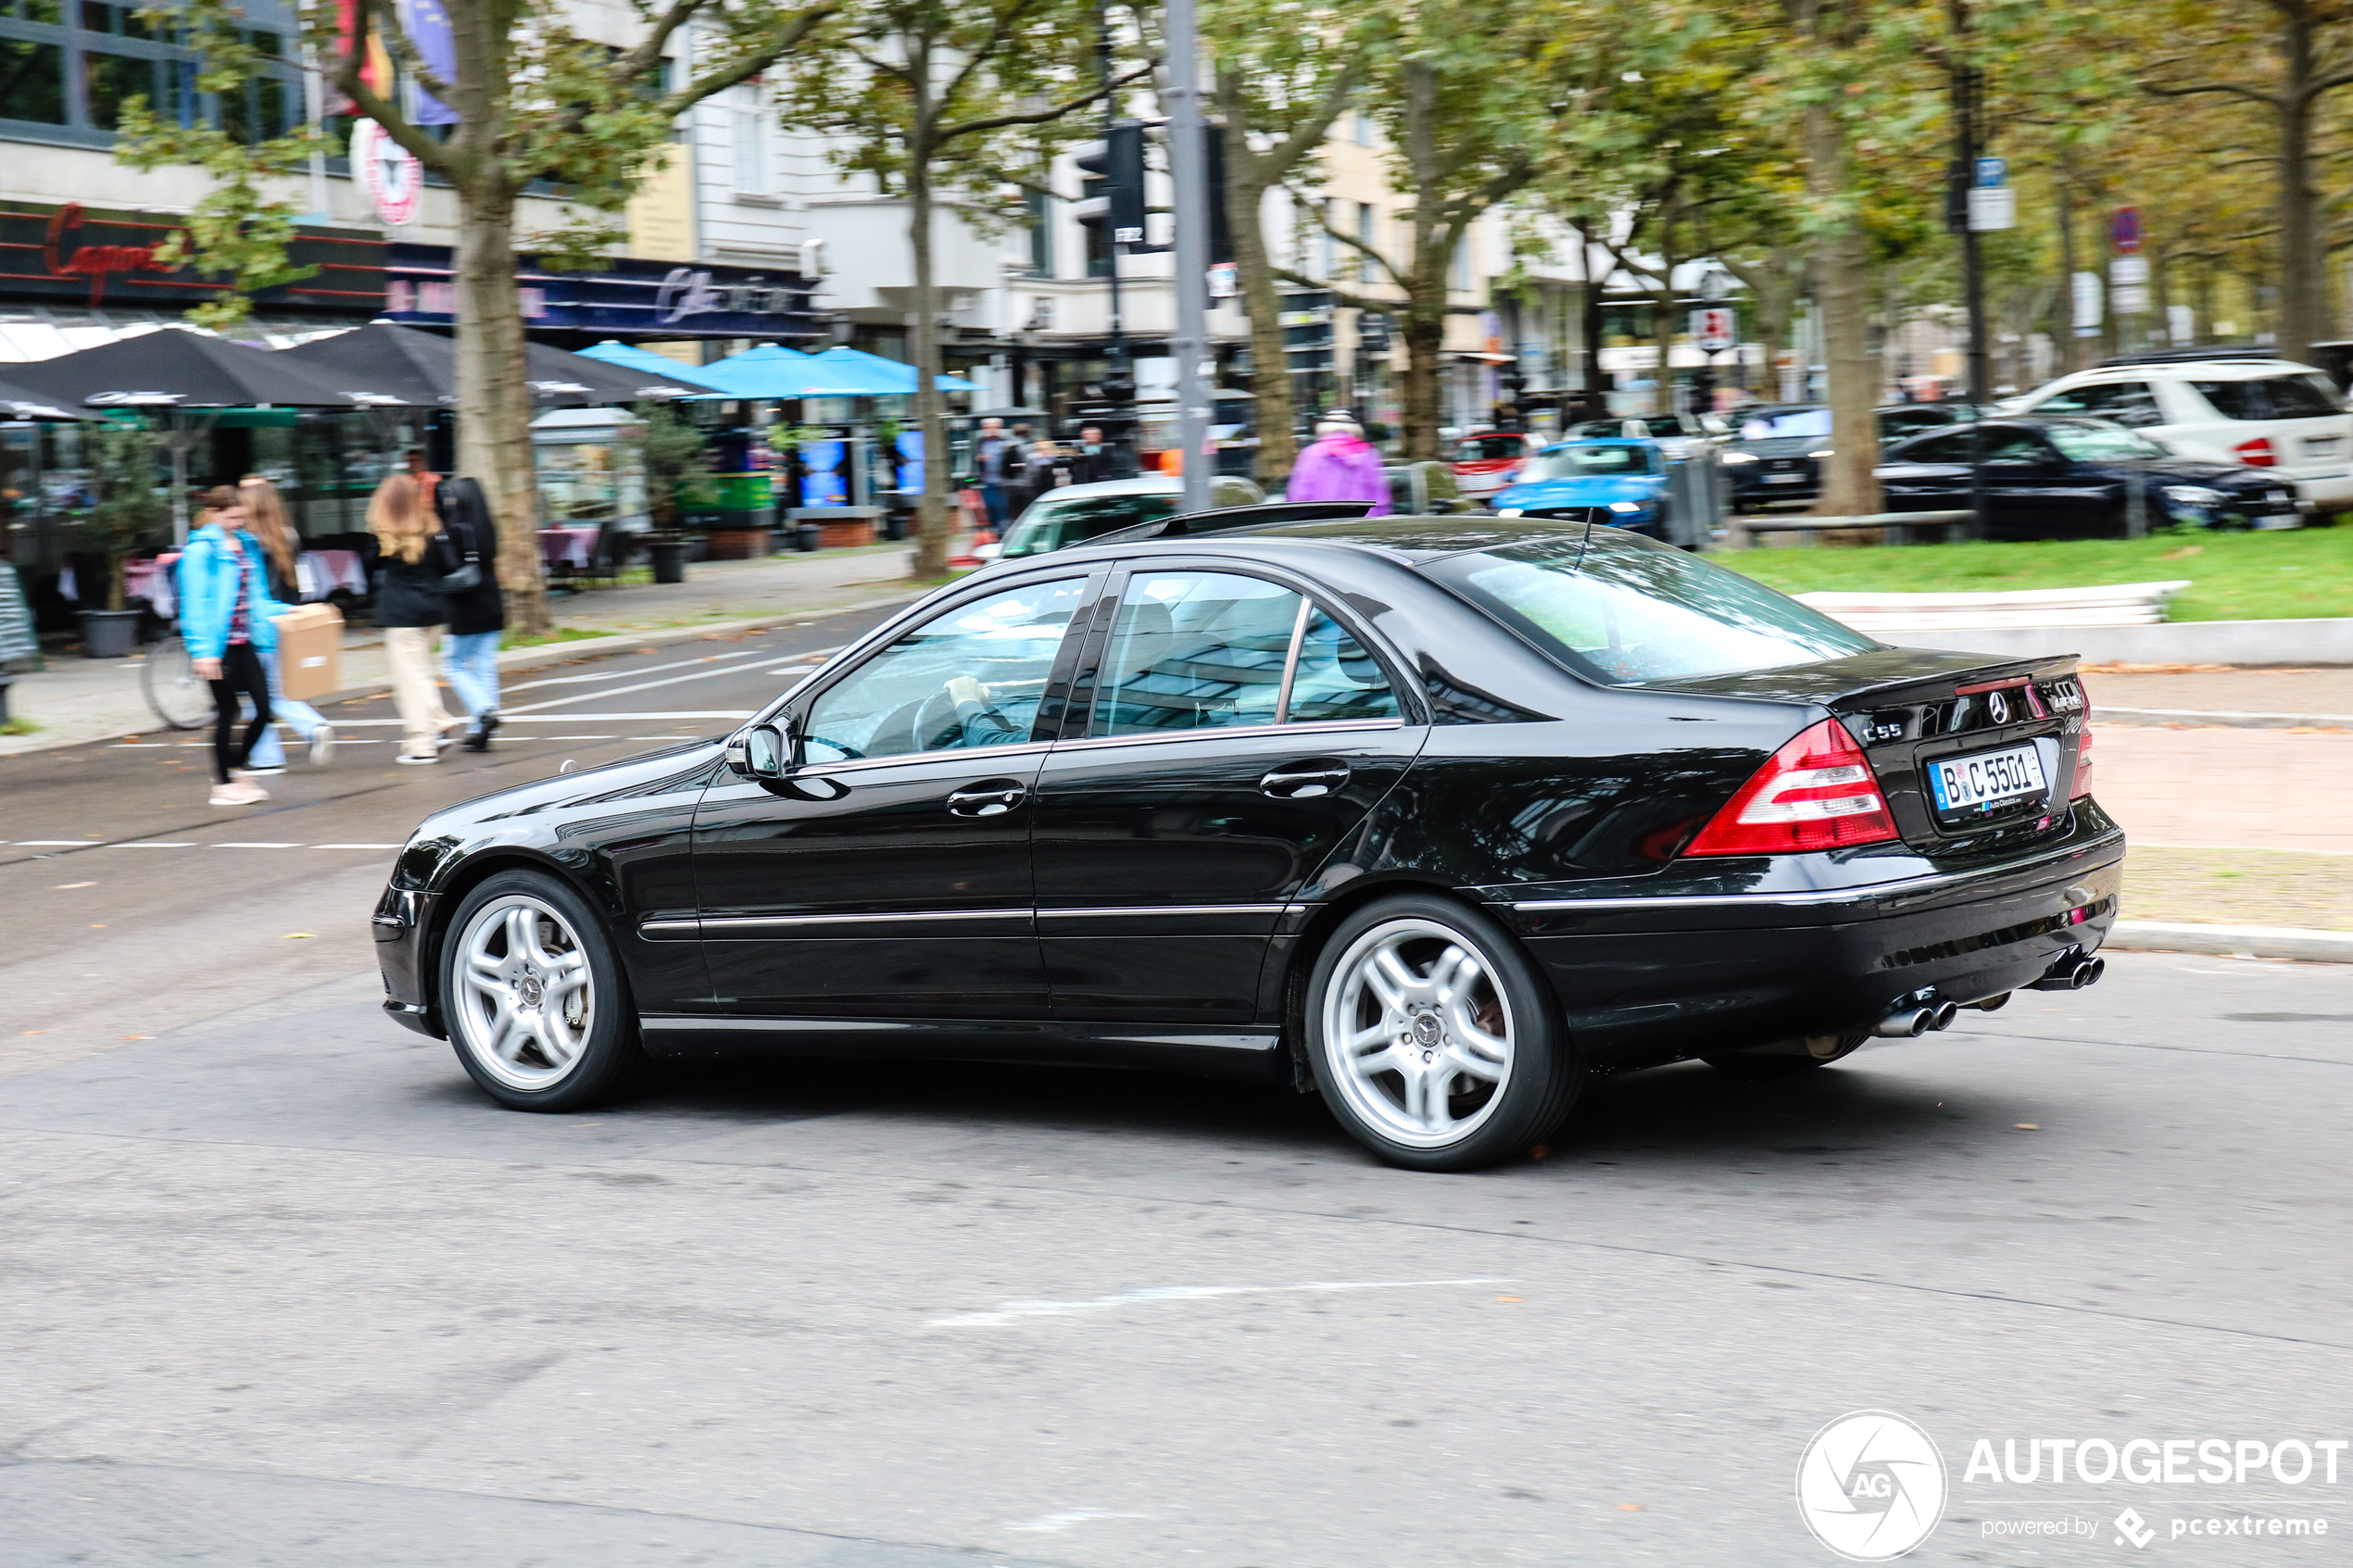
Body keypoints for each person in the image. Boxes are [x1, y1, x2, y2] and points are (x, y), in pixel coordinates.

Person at [176, 487, 290, 806]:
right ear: (214, 513)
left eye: (242, 516)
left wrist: (287, 611)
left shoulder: (248, 546)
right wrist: (202, 651)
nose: (239, 522)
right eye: (232, 517)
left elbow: (257, 598)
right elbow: (195, 603)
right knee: (228, 711)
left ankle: (236, 766)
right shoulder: (201, 552)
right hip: (216, 646)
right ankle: (223, 784)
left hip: (245, 640)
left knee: (265, 709)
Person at [234, 474, 333, 773]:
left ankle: (306, 730)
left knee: (261, 695)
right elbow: (302, 585)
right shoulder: (287, 537)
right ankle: (268, 756)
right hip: (285, 622)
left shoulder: (246, 543)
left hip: (257, 626)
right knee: (269, 693)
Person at [368, 470, 464, 765]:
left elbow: (367, 565)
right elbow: (450, 566)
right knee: (420, 673)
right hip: (434, 611)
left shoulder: (383, 536)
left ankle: (425, 738)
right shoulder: (432, 528)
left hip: (402, 615)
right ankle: (427, 730)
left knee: (409, 680)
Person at [436, 476, 505, 751]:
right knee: (485, 663)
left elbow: (445, 566)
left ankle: (484, 710)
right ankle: (481, 729)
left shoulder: (453, 529)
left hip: (465, 604)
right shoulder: (488, 527)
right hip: (492, 598)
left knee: (454, 664)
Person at [1285, 409, 1391, 515]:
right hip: (1362, 525)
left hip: (1318, 524)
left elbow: (1299, 495)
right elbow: (1380, 497)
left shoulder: (1311, 454)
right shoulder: (1368, 455)